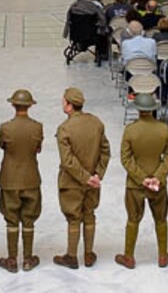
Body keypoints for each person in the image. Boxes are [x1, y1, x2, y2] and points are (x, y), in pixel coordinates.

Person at [116, 91, 168, 270]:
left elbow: (125, 159)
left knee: (133, 220)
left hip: (135, 185)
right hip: (159, 185)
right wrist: (157, 177)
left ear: (138, 109)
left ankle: (129, 257)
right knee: (161, 219)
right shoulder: (163, 129)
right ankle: (163, 256)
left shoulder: (130, 130)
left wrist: (142, 179)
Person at [54, 86, 110, 269]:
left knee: (73, 218)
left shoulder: (64, 129)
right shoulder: (96, 123)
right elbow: (105, 151)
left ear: (69, 106)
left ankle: (71, 256)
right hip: (93, 182)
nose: (62, 103)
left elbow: (68, 161)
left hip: (71, 183)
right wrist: (96, 175)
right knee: (89, 215)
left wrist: (85, 178)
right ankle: (88, 254)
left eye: (64, 101)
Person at [0, 88, 43, 273]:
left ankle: (12, 259)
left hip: (9, 178)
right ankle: (28, 259)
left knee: (11, 220)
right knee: (29, 220)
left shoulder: (5, 127)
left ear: (13, 105)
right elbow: (37, 148)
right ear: (30, 105)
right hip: (31, 177)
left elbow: (2, 145)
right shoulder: (37, 127)